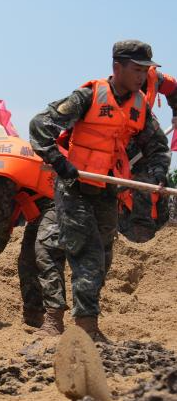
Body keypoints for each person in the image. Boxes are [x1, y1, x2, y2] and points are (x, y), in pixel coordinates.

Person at [29, 40, 171, 343]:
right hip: (75, 187)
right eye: (137, 69)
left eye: (146, 70)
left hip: (108, 190)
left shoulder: (139, 105)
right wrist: (57, 160)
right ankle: (80, 326)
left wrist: (159, 171)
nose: (142, 76)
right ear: (117, 67)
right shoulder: (88, 96)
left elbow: (157, 146)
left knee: (104, 257)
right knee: (87, 252)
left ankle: (82, 320)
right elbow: (40, 125)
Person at [0, 126, 66, 331]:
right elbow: (8, 211)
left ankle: (54, 320)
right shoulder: (6, 154)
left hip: (59, 202)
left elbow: (3, 214)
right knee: (27, 261)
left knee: (44, 253)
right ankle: (34, 316)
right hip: (41, 208)